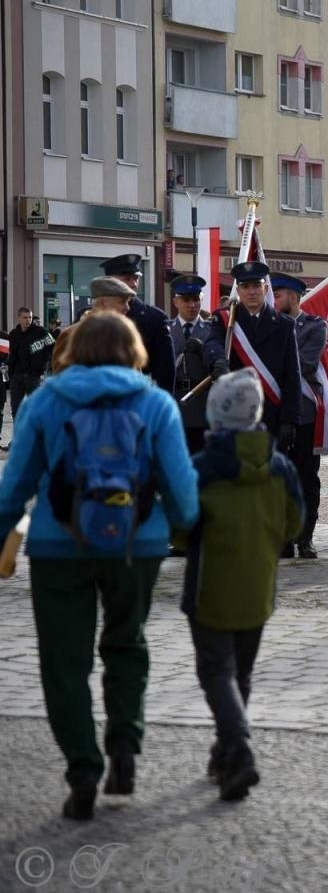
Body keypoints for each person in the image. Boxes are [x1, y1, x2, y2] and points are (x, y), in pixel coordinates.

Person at [0, 313, 199, 821]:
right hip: (138, 543)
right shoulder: (155, 402)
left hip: (56, 545)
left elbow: (15, 483)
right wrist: (183, 529)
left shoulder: (47, 399)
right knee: (126, 642)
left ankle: (83, 770)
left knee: (63, 663)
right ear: (135, 352)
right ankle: (125, 748)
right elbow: (180, 488)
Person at [177, 369, 303, 801]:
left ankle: (240, 748)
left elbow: (180, 526)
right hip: (258, 584)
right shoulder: (280, 465)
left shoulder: (201, 468)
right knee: (241, 672)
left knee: (215, 671)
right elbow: (295, 523)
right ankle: (225, 751)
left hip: (209, 585)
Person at [203, 262, 300, 454]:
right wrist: (218, 360)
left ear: (265, 288)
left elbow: (292, 376)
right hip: (236, 413)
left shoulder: (284, 325)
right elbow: (212, 343)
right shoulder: (225, 320)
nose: (252, 292)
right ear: (238, 290)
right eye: (245, 287)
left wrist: (290, 421)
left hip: (272, 413)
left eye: (256, 285)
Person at [272, 274, 326, 559]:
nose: (274, 300)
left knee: (306, 477)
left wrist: (275, 366)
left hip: (304, 412)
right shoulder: (269, 326)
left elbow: (306, 363)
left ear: (293, 296)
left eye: (278, 294)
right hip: (275, 412)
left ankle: (305, 536)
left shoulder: (314, 326)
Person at [98, 254, 177, 393]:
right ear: (110, 282)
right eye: (127, 278)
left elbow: (165, 373)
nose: (134, 284)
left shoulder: (154, 319)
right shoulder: (88, 316)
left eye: (136, 278)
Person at [168, 277, 214, 455]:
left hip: (201, 404)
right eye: (186, 300)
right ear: (175, 301)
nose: (192, 305)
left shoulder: (212, 330)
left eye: (196, 299)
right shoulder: (166, 330)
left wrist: (204, 351)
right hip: (174, 402)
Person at [4, 307, 55, 450]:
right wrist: (10, 370)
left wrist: (42, 364)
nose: (28, 320)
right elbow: (12, 354)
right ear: (19, 318)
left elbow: (53, 346)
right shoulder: (13, 334)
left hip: (33, 377)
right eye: (25, 317)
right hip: (16, 377)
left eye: (30, 317)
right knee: (16, 410)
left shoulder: (41, 332)